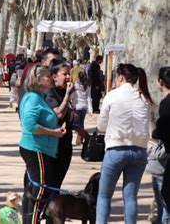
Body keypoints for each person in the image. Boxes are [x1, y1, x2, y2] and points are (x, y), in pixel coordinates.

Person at [96, 63, 153, 223]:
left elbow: (101, 125)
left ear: (120, 77)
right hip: (139, 151)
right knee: (130, 196)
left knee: (104, 195)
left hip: (116, 149)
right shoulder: (144, 98)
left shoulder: (112, 95)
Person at [19, 64, 66, 224]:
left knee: (35, 189)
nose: (52, 78)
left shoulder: (38, 96)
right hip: (36, 148)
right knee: (39, 190)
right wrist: (54, 133)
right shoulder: (33, 98)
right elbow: (30, 125)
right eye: (48, 76)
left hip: (42, 149)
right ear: (38, 79)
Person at [44, 60, 77, 189]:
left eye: (69, 74)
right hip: (53, 145)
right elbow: (58, 114)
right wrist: (68, 96)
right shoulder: (49, 93)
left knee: (58, 182)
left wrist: (78, 127)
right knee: (50, 182)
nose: (68, 77)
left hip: (66, 143)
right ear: (54, 76)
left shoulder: (66, 92)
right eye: (65, 74)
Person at [152, 66, 170, 211]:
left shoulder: (166, 104)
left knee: (166, 192)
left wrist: (156, 133)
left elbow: (164, 128)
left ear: (160, 82)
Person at [72, 71, 92, 145]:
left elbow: (72, 96)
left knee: (77, 124)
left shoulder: (75, 85)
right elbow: (89, 98)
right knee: (81, 123)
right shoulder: (87, 86)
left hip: (77, 106)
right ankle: (82, 138)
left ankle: (79, 138)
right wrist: (90, 109)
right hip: (84, 106)